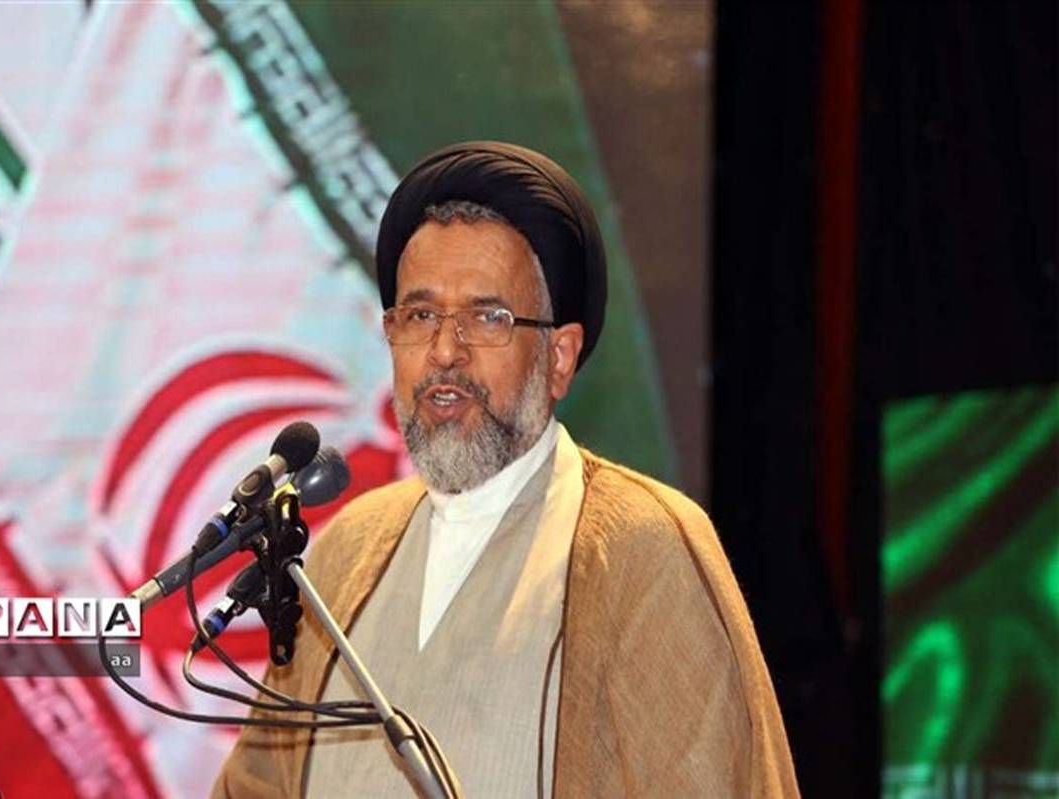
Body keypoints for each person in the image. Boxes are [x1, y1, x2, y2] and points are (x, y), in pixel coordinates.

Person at [211, 141, 799, 798]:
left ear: (559, 357)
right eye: (421, 315)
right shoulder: (347, 550)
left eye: (487, 317)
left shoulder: (643, 546)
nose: (444, 351)